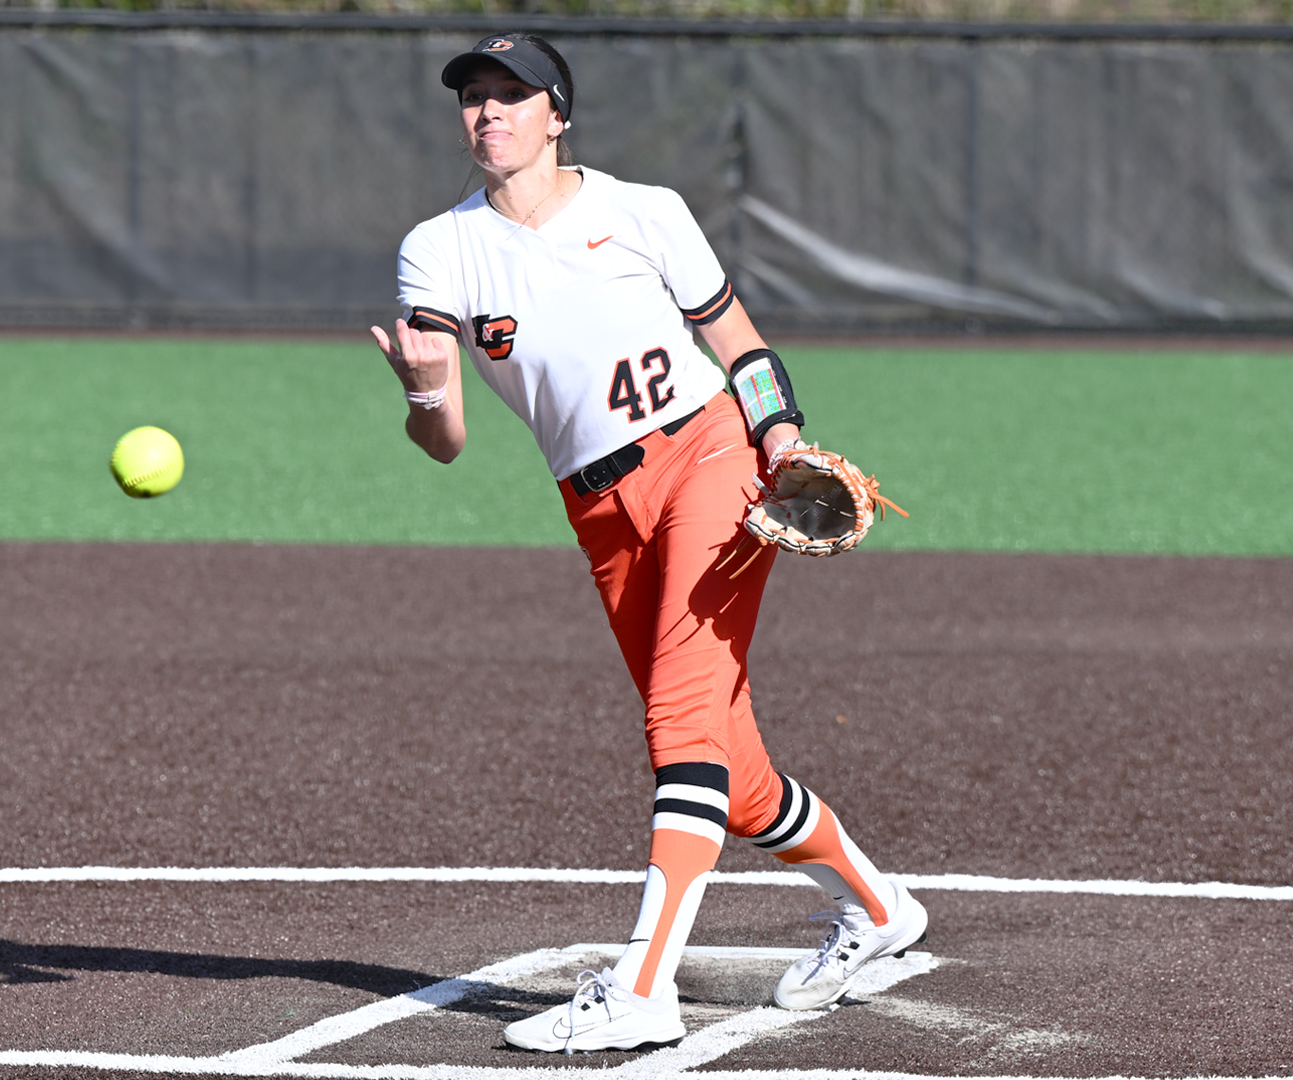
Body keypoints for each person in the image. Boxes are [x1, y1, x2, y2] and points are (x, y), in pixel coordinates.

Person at [369, 33, 927, 1054]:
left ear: (557, 113)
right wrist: (421, 386)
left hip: (711, 458)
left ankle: (641, 987)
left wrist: (782, 442)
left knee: (678, 720)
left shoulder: (643, 210)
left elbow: (740, 346)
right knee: (737, 775)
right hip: (597, 510)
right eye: (473, 97)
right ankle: (881, 911)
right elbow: (442, 441)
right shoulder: (438, 249)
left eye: (511, 94)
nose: (487, 112)